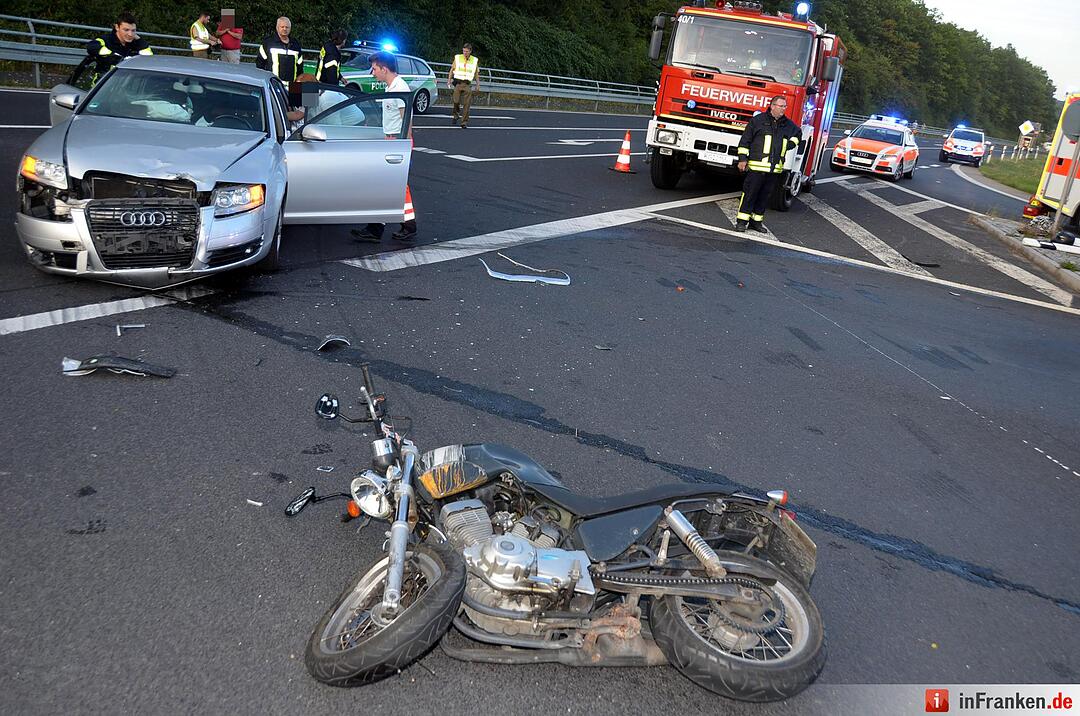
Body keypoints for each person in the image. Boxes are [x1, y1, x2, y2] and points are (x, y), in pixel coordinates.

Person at [351, 52, 416, 244]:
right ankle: (388, 227)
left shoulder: (399, 88)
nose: (372, 73)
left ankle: (381, 228)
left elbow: (406, 119)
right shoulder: (393, 88)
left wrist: (404, 145)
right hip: (393, 141)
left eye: (374, 69)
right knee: (391, 186)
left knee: (390, 186)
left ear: (384, 69)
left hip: (397, 142)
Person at [735, 95, 801, 233]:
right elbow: (745, 141)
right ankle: (741, 222)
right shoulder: (757, 121)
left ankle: (756, 222)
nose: (783, 109)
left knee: (764, 197)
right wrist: (742, 159)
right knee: (749, 194)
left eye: (785, 106)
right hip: (756, 167)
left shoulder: (787, 125)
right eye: (781, 106)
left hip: (774, 169)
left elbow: (798, 134)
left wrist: (789, 145)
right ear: (772, 106)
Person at [83, 11, 153, 86]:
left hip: (127, 89)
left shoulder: (136, 43)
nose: (130, 34)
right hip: (103, 88)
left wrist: (139, 40)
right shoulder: (107, 40)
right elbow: (91, 46)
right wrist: (113, 56)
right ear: (117, 27)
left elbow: (149, 57)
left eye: (133, 30)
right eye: (126, 30)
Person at [256, 17, 302, 83]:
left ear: (290, 29)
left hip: (292, 86)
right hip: (273, 85)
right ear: (277, 28)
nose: (285, 29)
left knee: (296, 93)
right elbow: (260, 64)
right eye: (282, 27)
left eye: (287, 27)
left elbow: (300, 67)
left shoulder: (295, 44)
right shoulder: (268, 43)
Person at [447, 43, 479, 128]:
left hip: (467, 84)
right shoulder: (458, 58)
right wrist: (449, 80)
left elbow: (476, 73)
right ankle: (456, 114)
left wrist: (478, 84)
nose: (465, 53)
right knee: (456, 101)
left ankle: (464, 122)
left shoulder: (474, 60)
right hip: (458, 83)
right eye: (464, 51)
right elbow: (452, 69)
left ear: (470, 51)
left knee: (467, 104)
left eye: (467, 51)